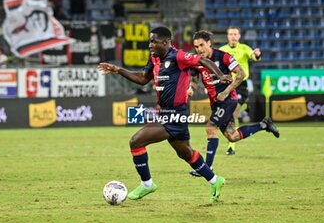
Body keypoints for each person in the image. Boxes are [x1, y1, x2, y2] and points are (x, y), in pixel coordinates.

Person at [98, 26, 229, 203]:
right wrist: (118, 70)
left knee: (136, 141)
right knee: (186, 153)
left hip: (175, 114)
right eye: (149, 41)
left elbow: (204, 61)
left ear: (166, 42)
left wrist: (220, 75)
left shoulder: (179, 56)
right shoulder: (154, 58)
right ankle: (215, 180)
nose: (150, 45)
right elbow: (143, 79)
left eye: (154, 41)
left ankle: (147, 184)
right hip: (166, 113)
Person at [188, 30, 279, 177]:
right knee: (233, 136)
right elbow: (194, 79)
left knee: (211, 127)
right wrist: (191, 89)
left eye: (201, 45)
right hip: (216, 103)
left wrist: (226, 91)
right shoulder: (198, 61)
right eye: (196, 46)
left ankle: (206, 168)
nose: (199, 49)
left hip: (229, 100)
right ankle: (264, 125)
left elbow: (241, 73)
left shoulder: (223, 56)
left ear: (209, 43)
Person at [219, 26, 262, 155]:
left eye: (235, 34)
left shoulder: (244, 48)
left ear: (239, 36)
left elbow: (254, 57)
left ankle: (231, 146)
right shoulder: (222, 50)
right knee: (228, 114)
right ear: (227, 36)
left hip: (241, 85)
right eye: (231, 34)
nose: (233, 36)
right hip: (227, 85)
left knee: (233, 112)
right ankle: (246, 110)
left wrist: (257, 55)